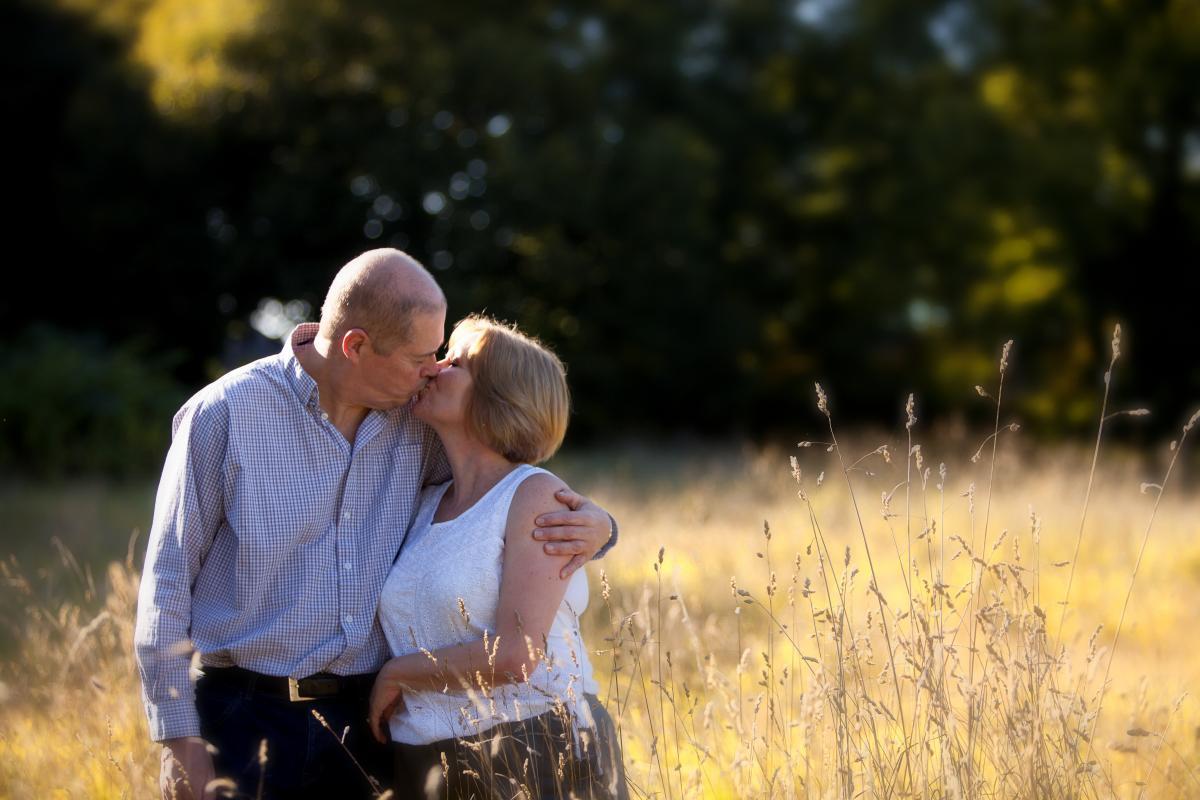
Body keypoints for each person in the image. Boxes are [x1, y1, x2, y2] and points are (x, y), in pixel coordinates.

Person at [134, 249, 617, 800]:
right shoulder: (223, 415)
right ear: (356, 346)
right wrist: (179, 741)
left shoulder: (417, 428)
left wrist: (601, 524)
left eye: (441, 356)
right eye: (421, 356)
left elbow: (504, 485)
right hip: (245, 715)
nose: (432, 369)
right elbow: (166, 587)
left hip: (371, 724)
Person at [368, 315, 627, 800]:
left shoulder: (533, 496)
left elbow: (515, 656)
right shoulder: (425, 503)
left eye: (455, 362)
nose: (433, 367)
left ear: (495, 397)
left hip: (531, 749)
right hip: (425, 760)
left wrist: (397, 673)